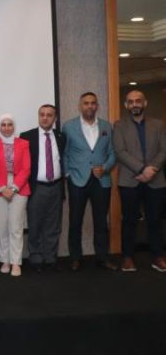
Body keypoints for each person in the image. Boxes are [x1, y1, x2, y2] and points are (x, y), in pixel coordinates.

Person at [62, 92, 117, 272]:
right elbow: (65, 153)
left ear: (97, 106)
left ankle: (102, 258)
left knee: (101, 222)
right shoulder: (68, 126)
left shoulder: (106, 126)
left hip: (102, 181)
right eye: (86, 103)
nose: (89, 106)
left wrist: (105, 168)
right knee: (75, 221)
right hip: (77, 180)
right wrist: (68, 174)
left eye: (93, 103)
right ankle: (75, 258)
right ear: (80, 106)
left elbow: (112, 152)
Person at [113, 90, 166, 272]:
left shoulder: (158, 124)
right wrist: (142, 169)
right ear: (126, 105)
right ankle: (127, 258)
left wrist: (152, 169)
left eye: (138, 101)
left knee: (155, 220)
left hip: (156, 179)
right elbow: (120, 151)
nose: (134, 104)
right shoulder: (119, 125)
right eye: (130, 101)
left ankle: (158, 257)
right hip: (129, 180)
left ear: (145, 103)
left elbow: (164, 149)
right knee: (129, 221)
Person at [20, 104, 67, 272]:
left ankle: (51, 258)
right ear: (38, 116)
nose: (45, 118)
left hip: (56, 186)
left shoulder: (61, 136)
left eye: (49, 115)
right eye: (42, 114)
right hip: (37, 187)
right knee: (35, 225)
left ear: (55, 118)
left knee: (53, 226)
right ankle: (36, 258)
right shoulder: (27, 136)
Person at [0, 114, 31, 277]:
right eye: (3, 124)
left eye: (10, 124)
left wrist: (13, 188)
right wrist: (2, 188)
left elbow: (26, 168)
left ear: (14, 126)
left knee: (16, 227)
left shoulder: (24, 144)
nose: (6, 128)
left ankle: (15, 262)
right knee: (3, 227)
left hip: (19, 187)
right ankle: (5, 260)